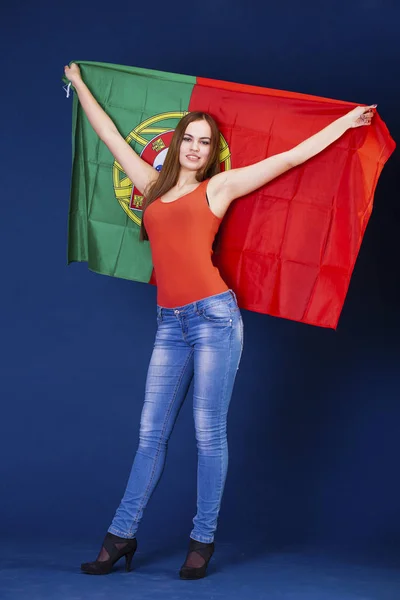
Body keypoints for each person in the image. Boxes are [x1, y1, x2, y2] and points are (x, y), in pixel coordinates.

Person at [64, 62, 375, 580]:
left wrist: (343, 124)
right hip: (169, 323)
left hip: (213, 319)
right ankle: (119, 537)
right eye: (189, 138)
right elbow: (111, 137)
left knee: (209, 434)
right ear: (177, 142)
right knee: (150, 436)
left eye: (205, 143)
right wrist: (77, 83)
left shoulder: (221, 188)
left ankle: (201, 542)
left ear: (212, 153)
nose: (195, 148)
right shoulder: (150, 186)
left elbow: (291, 157)